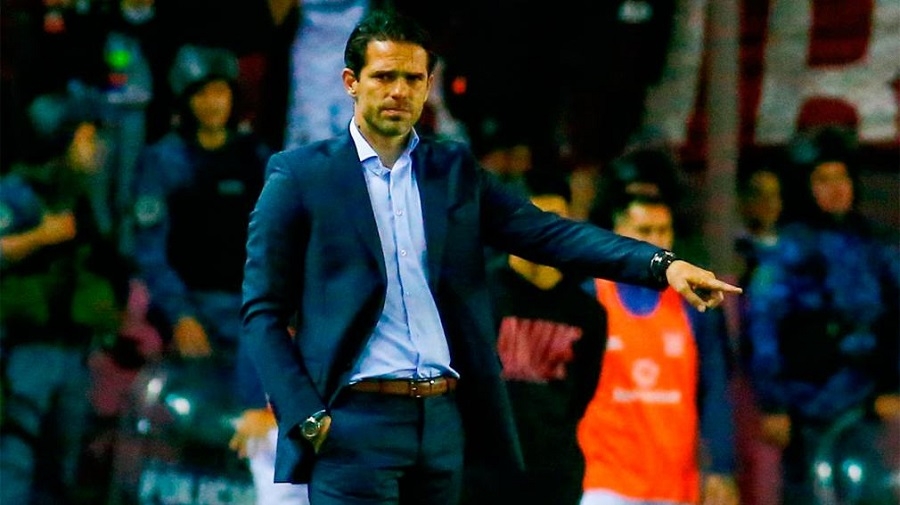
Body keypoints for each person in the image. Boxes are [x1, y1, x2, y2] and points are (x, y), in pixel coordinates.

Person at [240, 10, 742, 505]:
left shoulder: (451, 172)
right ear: (351, 82)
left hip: (441, 420)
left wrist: (662, 265)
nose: (399, 91)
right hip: (353, 420)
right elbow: (263, 310)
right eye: (384, 76)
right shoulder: (300, 176)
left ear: (428, 85)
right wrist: (304, 413)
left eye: (412, 79)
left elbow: (547, 232)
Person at [130, 43, 291, 503]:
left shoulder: (258, 159)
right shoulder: (165, 160)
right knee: (189, 428)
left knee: (250, 430)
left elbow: (277, 246)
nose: (212, 103)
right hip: (189, 315)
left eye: (220, 92)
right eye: (201, 94)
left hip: (248, 319)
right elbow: (150, 249)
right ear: (186, 100)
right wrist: (180, 314)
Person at [744, 126, 900, 505]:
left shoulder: (876, 245)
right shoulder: (785, 250)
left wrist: (893, 385)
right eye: (823, 180)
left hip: (864, 408)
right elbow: (763, 328)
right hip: (805, 412)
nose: (835, 189)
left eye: (841, 177)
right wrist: (773, 404)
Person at [0, 86, 132, 505]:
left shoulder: (87, 196)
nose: (98, 147)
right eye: (88, 136)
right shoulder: (20, 191)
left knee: (63, 467)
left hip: (76, 351)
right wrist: (41, 236)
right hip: (25, 349)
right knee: (15, 459)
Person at [577, 193, 739, 505]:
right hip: (603, 481)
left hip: (675, 484)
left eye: (663, 230)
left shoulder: (693, 304)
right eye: (644, 230)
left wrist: (720, 466)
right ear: (617, 232)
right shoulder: (589, 299)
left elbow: (715, 390)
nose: (656, 241)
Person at [462, 169, 608, 505]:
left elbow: (581, 396)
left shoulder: (587, 313)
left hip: (554, 479)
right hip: (481, 479)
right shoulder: (476, 297)